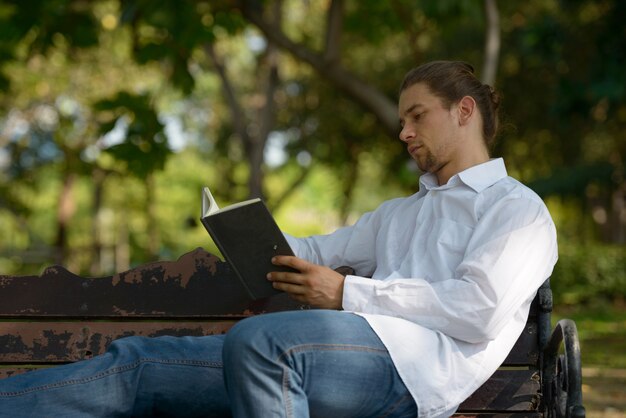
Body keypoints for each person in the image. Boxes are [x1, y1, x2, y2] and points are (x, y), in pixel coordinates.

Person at [0, 61, 557, 418]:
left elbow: (478, 310)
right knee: (140, 364)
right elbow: (314, 252)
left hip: (412, 374)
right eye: (402, 119)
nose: (403, 132)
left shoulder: (518, 211)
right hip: (326, 354)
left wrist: (348, 294)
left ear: (464, 112)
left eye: (417, 116)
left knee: (264, 342)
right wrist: (246, 234)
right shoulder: (401, 213)